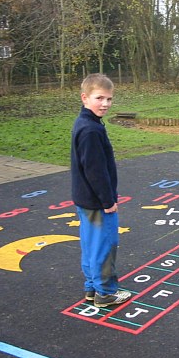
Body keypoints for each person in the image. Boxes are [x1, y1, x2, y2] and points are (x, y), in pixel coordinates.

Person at [71, 73, 131, 308]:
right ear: (85, 98)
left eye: (109, 99)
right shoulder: (91, 130)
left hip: (85, 198)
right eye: (99, 98)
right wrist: (108, 201)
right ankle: (105, 292)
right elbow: (95, 171)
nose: (105, 104)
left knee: (90, 244)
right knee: (103, 245)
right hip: (96, 201)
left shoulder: (85, 122)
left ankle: (91, 288)